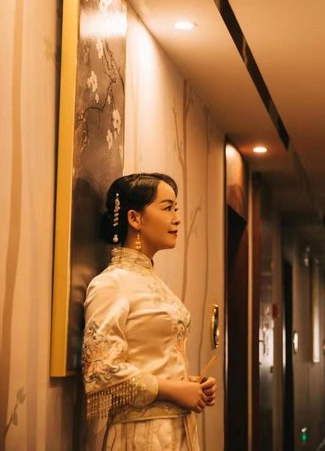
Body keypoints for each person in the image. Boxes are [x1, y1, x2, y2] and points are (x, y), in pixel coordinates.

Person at [82, 173, 215, 450]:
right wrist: (173, 390)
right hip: (142, 436)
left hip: (178, 431)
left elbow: (154, 360)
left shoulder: (153, 282)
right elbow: (99, 371)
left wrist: (191, 385)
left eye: (176, 209)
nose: (177, 219)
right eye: (168, 208)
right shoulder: (112, 283)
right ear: (135, 218)